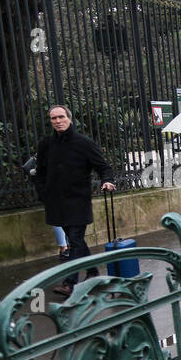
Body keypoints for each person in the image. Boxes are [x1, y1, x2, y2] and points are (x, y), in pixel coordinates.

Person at [34, 105, 116, 298]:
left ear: (69, 119)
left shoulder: (84, 143)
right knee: (74, 239)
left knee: (75, 240)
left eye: (61, 117)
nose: (57, 121)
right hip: (56, 202)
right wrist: (43, 193)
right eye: (53, 118)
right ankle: (93, 271)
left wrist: (107, 181)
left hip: (78, 201)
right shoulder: (46, 144)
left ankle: (70, 283)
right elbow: (40, 172)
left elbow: (103, 166)